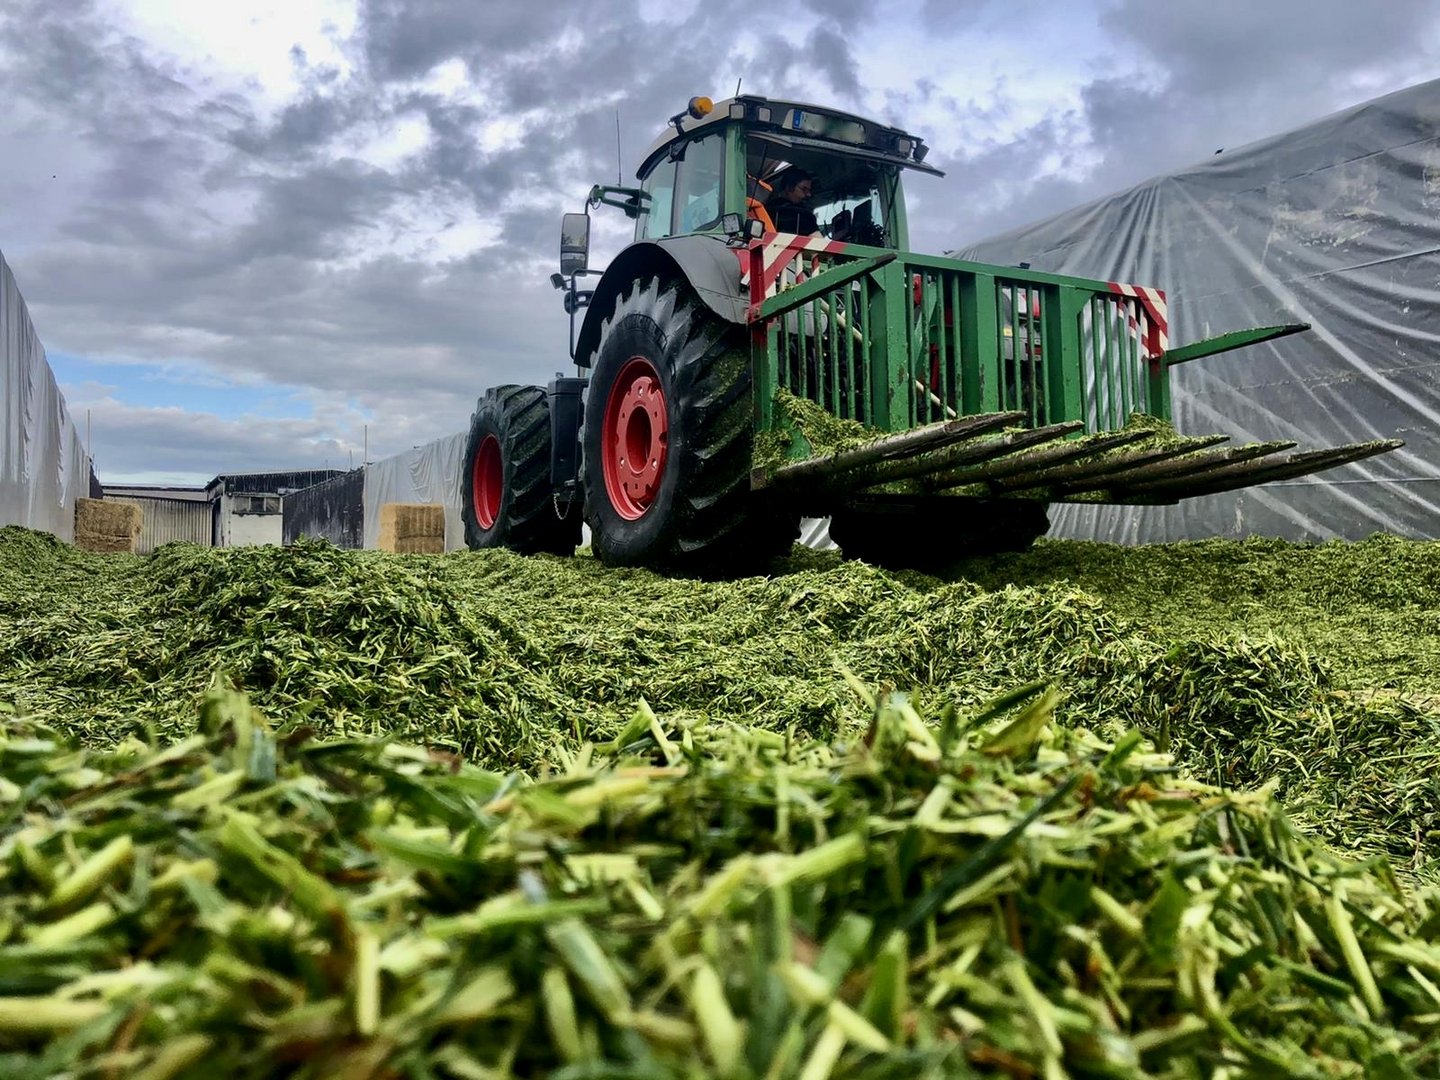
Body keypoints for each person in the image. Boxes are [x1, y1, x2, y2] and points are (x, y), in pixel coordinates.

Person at [767, 169, 819, 234]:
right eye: (804, 189)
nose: (808, 194)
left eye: (809, 190)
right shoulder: (805, 216)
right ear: (789, 187)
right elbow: (818, 240)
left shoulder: (766, 210)